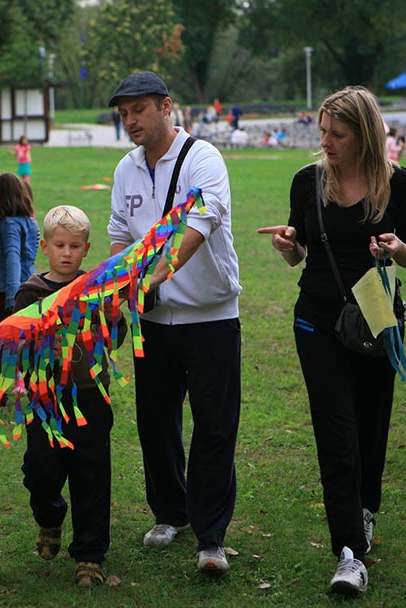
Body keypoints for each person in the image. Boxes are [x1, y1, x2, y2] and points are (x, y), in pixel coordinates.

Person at [257, 86, 406, 594]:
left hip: (375, 320)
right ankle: (349, 552)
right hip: (317, 321)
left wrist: (396, 248)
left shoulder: (396, 182)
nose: (325, 142)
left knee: (370, 427)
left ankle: (364, 509)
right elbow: (298, 254)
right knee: (336, 431)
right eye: (323, 132)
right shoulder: (307, 182)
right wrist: (288, 246)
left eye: (337, 134)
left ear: (364, 135)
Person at [106, 71, 242, 575]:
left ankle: (211, 536)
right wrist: (121, 279)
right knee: (156, 421)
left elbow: (200, 224)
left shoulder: (203, 158)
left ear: (166, 107)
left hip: (210, 316)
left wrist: (159, 272)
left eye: (138, 110)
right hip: (153, 321)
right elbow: (120, 230)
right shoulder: (126, 169)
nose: (130, 121)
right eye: (123, 114)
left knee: (214, 425)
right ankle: (170, 512)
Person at [15, 205, 126, 587]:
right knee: (40, 471)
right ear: (44, 246)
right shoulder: (30, 293)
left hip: (91, 398)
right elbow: (18, 344)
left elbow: (118, 337)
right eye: (59, 245)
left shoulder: (95, 290)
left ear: (86, 248)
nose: (66, 253)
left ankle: (90, 556)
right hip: (45, 403)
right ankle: (49, 516)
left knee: (91, 476)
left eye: (75, 246)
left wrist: (109, 316)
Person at [0, 173, 38, 330]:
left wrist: (12, 299)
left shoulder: (8, 225)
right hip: (29, 288)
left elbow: (14, 258)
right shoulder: (30, 222)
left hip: (4, 296)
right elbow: (23, 250)